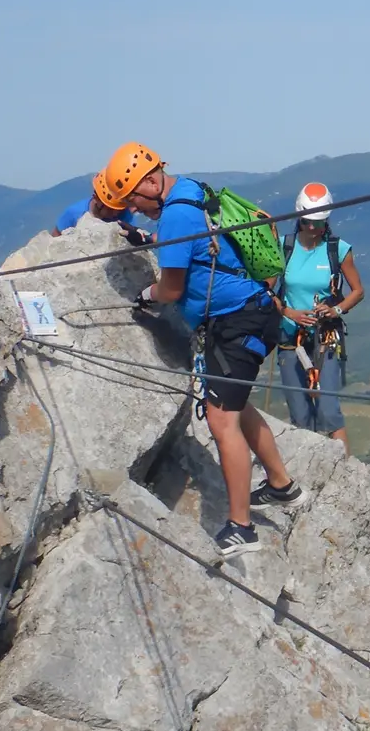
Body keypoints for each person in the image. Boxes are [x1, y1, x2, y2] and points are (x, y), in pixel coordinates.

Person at [100, 141, 309, 555]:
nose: (134, 208)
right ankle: (282, 486)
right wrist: (149, 238)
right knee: (236, 405)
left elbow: (173, 287)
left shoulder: (177, 214)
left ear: (151, 180)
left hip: (236, 321)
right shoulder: (189, 193)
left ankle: (241, 528)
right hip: (249, 312)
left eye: (134, 199)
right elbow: (197, 247)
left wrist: (147, 293)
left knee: (221, 419)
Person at [274, 183, 365, 455]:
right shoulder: (283, 248)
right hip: (291, 337)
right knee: (300, 414)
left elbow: (357, 290)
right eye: (308, 222)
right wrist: (289, 313)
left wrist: (336, 310)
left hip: (326, 337)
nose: (313, 228)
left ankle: (345, 473)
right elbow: (267, 292)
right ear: (299, 218)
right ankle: (307, 470)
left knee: (328, 409)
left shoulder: (338, 249)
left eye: (318, 222)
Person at [50, 188, 153, 245]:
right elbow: (54, 239)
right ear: (96, 198)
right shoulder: (74, 213)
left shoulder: (125, 215)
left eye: (119, 209)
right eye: (110, 208)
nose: (115, 214)